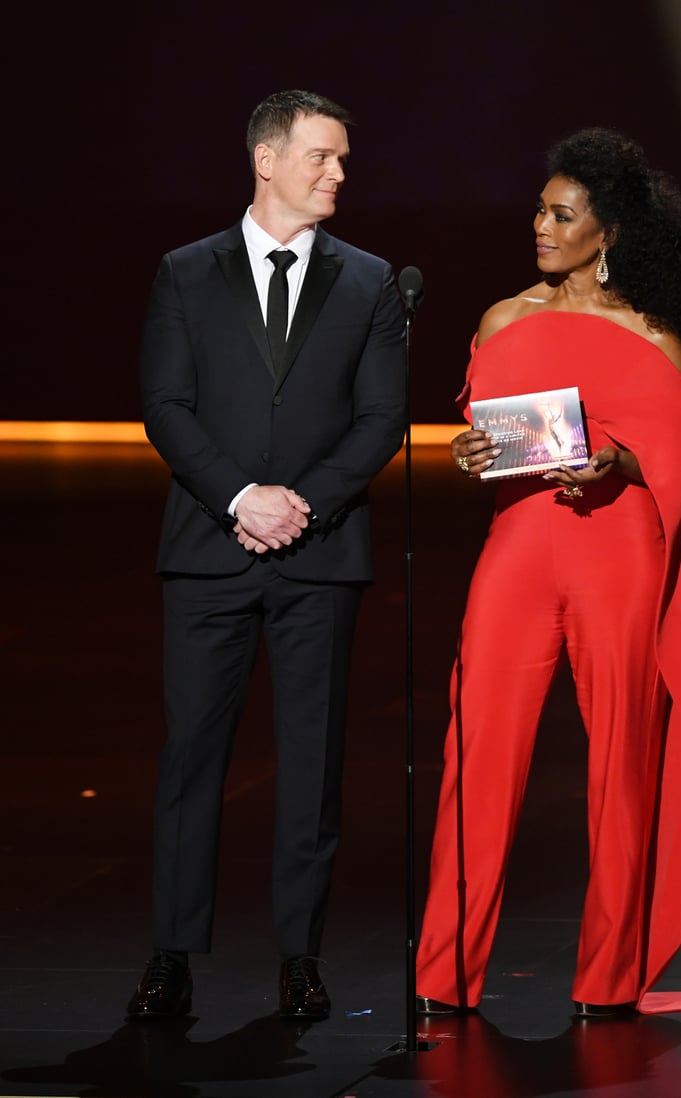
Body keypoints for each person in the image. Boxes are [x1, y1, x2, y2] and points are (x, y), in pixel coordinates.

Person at [414, 128, 681, 1019]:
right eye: (538, 208)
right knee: (475, 752)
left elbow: (669, 467)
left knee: (621, 767)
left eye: (562, 215)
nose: (540, 225)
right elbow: (486, 441)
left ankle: (608, 980)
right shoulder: (501, 319)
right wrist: (467, 450)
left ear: (608, 236)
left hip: (617, 557)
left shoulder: (654, 338)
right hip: (518, 551)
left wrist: (619, 461)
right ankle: (442, 974)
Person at [126, 90, 406, 1022]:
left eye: (343, 161)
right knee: (191, 760)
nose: (338, 175)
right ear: (267, 159)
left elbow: (380, 419)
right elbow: (166, 404)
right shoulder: (185, 272)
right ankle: (171, 955)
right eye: (322, 157)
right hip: (210, 551)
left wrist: (308, 505)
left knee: (312, 764)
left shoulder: (368, 282)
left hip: (320, 561)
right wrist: (242, 499)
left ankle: (301, 956)